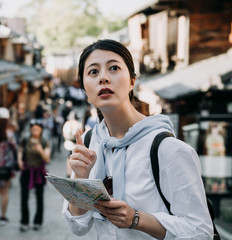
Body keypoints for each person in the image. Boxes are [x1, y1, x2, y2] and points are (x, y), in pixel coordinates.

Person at [62, 39, 213, 239]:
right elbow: (78, 227)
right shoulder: (91, 143)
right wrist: (80, 179)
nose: (104, 78)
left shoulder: (168, 149)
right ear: (84, 87)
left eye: (114, 68)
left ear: (132, 81)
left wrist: (137, 219)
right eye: (93, 72)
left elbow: (201, 232)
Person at [18, 119, 51, 232]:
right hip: (27, 171)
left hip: (39, 172)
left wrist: (40, 150)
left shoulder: (44, 141)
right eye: (33, 129)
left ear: (41, 130)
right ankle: (24, 221)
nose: (35, 131)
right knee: (24, 197)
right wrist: (19, 161)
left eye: (37, 129)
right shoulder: (26, 139)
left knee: (39, 198)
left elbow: (47, 158)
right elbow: (20, 150)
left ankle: (38, 221)